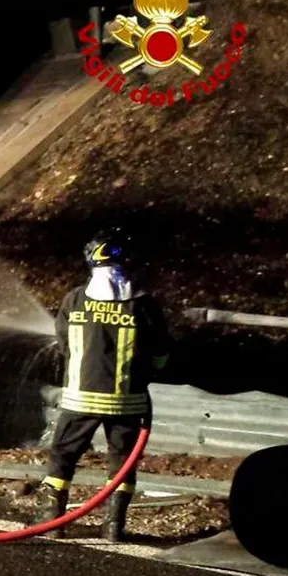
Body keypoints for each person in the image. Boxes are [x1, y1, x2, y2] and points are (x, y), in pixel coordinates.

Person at [35, 228, 172, 541]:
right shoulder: (144, 304)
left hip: (80, 398)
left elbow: (63, 345)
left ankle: (51, 520)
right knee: (122, 462)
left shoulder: (76, 299)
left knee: (63, 455)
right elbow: (162, 353)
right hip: (128, 400)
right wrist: (150, 373)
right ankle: (113, 526)